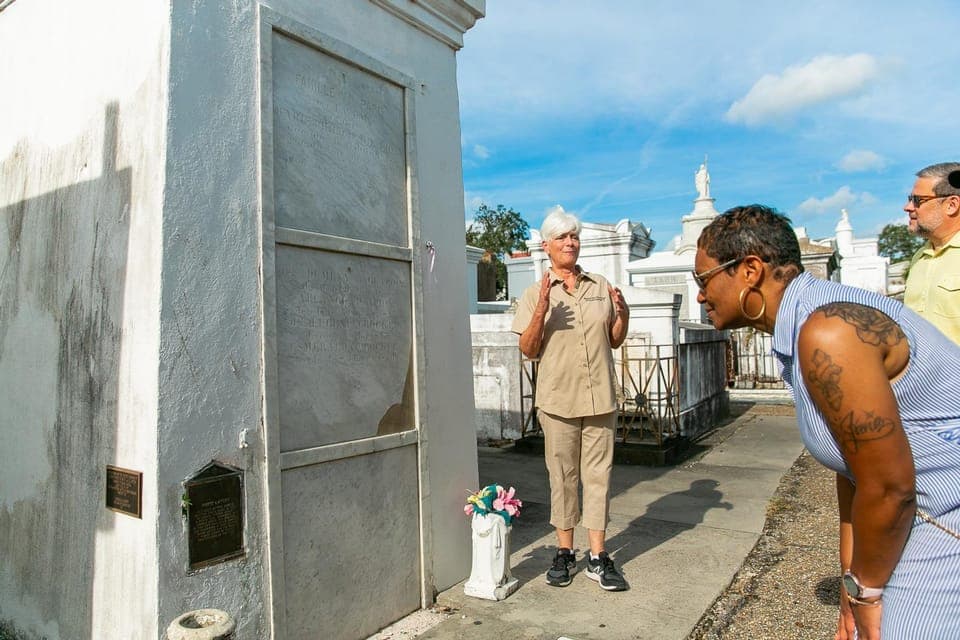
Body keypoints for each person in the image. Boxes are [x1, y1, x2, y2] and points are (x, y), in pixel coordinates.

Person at [695, 204, 960, 640]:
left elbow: (889, 488)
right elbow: (853, 471)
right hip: (919, 514)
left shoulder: (829, 332)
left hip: (943, 517)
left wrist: (868, 589)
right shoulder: (803, 325)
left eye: (703, 279)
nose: (701, 295)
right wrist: (851, 582)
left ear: (750, 270)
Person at [511, 209, 630, 591]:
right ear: (546, 246)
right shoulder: (534, 294)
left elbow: (613, 338)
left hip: (600, 399)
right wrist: (543, 310)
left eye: (574, 236)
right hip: (559, 401)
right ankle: (565, 551)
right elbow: (528, 349)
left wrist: (622, 316)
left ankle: (597, 556)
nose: (570, 243)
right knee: (563, 478)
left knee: (600, 477)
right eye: (562, 237)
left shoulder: (599, 285)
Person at [903, 162, 960, 345]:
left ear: (951, 205)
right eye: (909, 198)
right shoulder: (919, 257)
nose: (908, 207)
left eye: (918, 200)